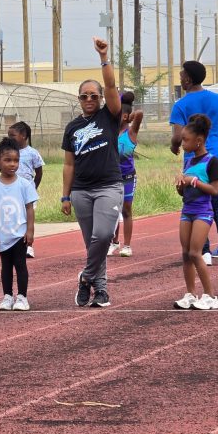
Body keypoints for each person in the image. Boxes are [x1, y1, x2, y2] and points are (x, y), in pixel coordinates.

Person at [61, 37, 123, 308]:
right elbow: (68, 164)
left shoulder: (109, 115)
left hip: (109, 186)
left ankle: (85, 277)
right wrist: (65, 196)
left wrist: (104, 57)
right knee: (92, 245)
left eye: (94, 96)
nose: (89, 99)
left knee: (103, 236)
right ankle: (101, 290)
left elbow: (110, 85)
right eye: (84, 96)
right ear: (78, 99)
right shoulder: (72, 128)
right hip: (81, 191)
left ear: (101, 98)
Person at [170, 60, 218, 266]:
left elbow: (178, 136)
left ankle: (204, 251)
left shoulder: (180, 105)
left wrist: (174, 146)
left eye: (182, 76)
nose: (180, 79)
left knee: (198, 204)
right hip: (216, 158)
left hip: (193, 163)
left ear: (188, 79)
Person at [0, 137, 38, 311]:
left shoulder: (24, 184)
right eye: (8, 160)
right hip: (2, 235)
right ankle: (7, 296)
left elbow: (30, 208)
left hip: (19, 234)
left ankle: (22, 297)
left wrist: (30, 230)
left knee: (20, 264)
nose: (12, 164)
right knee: (6, 267)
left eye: (16, 160)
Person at [173, 114, 218, 311]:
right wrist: (180, 186)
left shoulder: (212, 161)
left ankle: (210, 296)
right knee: (186, 254)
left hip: (203, 212)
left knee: (195, 253)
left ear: (199, 140)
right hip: (187, 210)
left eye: (186, 140)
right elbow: (184, 192)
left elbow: (214, 190)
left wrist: (193, 181)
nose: (182, 143)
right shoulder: (189, 162)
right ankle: (191, 294)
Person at [108, 91, 143, 257]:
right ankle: (113, 242)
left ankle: (127, 245)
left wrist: (131, 116)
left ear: (124, 116)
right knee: (111, 210)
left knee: (126, 210)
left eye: (118, 113)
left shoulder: (131, 132)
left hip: (128, 177)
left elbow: (140, 114)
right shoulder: (109, 131)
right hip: (111, 177)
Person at [8, 120, 44, 259]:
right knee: (14, 219)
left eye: (13, 135)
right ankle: (14, 245)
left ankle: (29, 246)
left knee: (28, 219)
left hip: (27, 193)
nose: (10, 138)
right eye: (9, 136)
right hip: (11, 192)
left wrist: (33, 188)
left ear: (23, 135)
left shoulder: (32, 153)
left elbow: (39, 173)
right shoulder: (8, 152)